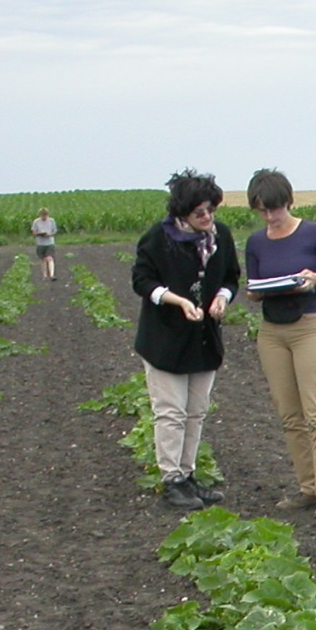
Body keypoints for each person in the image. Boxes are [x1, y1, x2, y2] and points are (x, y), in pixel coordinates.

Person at [243, 169, 316, 520]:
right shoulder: (256, 242)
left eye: (274, 209)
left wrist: (315, 280)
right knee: (290, 415)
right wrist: (257, 292)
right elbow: (254, 289)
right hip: (273, 332)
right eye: (262, 211)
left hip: (311, 327)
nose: (270, 217)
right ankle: (309, 488)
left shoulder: (313, 233)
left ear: (288, 202)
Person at [131, 170, 240, 511]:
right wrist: (176, 301)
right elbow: (142, 281)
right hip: (165, 339)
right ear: (182, 214)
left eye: (210, 210)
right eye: (199, 213)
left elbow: (231, 277)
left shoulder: (220, 235)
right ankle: (171, 480)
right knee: (171, 412)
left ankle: (188, 473)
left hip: (204, 339)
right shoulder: (157, 240)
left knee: (196, 412)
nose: (207, 218)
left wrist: (222, 298)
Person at [30, 207, 58, 281]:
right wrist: (39, 234)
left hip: (49, 242)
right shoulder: (36, 222)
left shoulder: (52, 221)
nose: (44, 217)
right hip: (40, 243)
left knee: (49, 258)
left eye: (45, 215)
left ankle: (52, 275)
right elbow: (33, 232)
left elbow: (54, 231)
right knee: (43, 260)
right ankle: (44, 275)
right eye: (42, 215)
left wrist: (49, 235)